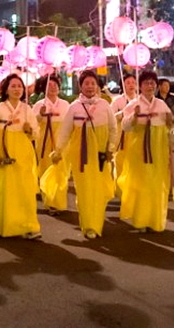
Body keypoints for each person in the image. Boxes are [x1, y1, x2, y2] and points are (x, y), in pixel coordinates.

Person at [52, 70, 116, 239]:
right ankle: (89, 225)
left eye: (93, 83)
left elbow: (113, 129)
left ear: (97, 86)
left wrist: (111, 148)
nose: (90, 86)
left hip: (101, 154)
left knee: (99, 189)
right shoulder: (74, 107)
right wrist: (58, 150)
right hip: (80, 154)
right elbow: (65, 131)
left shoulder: (105, 105)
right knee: (84, 189)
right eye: (86, 83)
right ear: (80, 86)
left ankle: (95, 219)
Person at [0, 73, 41, 239]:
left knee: (25, 190)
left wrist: (29, 131)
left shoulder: (27, 109)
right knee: (5, 190)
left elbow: (36, 133)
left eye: (19, 86)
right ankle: (6, 224)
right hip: (5, 151)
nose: (17, 89)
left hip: (23, 152)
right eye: (13, 86)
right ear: (6, 89)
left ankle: (28, 225)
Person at [120, 70, 174, 233]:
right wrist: (134, 117)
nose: (150, 86)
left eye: (152, 83)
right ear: (140, 86)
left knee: (157, 184)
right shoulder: (133, 105)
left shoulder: (161, 104)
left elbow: (170, 126)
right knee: (141, 184)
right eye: (146, 83)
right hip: (138, 150)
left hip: (158, 149)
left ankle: (156, 220)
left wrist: (171, 121)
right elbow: (125, 126)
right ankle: (141, 219)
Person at [33, 74, 70, 215]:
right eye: (50, 85)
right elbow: (32, 124)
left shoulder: (66, 105)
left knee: (62, 170)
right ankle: (49, 202)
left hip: (61, 143)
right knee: (46, 170)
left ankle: (59, 201)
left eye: (55, 85)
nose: (53, 88)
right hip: (44, 142)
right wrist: (40, 115)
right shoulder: (39, 105)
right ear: (44, 89)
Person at [110, 73, 137, 186]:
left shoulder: (140, 100)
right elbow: (111, 118)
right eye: (128, 83)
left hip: (136, 137)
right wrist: (121, 114)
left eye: (133, 82)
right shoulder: (117, 101)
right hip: (121, 137)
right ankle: (120, 189)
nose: (131, 85)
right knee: (120, 162)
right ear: (123, 85)